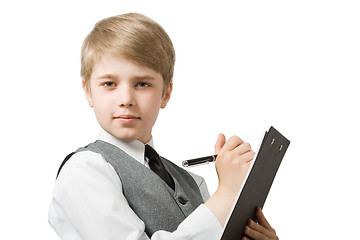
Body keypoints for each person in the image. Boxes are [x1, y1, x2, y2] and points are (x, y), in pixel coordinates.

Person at [48, 13, 279, 240]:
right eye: (109, 83)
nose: (126, 98)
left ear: (165, 93)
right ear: (88, 91)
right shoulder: (83, 170)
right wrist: (227, 193)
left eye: (142, 84)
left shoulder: (193, 183)